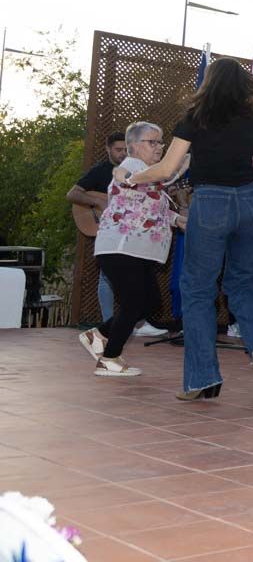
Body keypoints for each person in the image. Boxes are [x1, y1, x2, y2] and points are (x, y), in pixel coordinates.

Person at [128, 56, 253, 400]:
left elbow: (167, 169)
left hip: (211, 203)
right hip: (249, 205)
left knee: (198, 290)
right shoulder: (250, 117)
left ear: (208, 83)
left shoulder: (195, 118)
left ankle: (203, 379)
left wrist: (132, 177)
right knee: (241, 279)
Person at [78, 122, 186, 376]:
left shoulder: (145, 174)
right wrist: (185, 158)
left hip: (134, 250)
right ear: (134, 146)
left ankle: (98, 335)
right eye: (153, 142)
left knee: (149, 303)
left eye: (161, 142)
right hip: (121, 248)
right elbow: (164, 174)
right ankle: (109, 358)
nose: (159, 147)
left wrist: (176, 219)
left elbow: (150, 206)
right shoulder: (131, 167)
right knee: (134, 303)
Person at [67, 131, 168, 336]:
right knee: (108, 279)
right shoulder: (102, 171)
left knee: (137, 293)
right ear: (108, 150)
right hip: (114, 234)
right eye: (117, 149)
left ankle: (127, 324)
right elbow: (73, 193)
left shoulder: (141, 171)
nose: (122, 153)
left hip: (131, 235)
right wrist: (98, 201)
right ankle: (112, 325)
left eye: (125, 149)